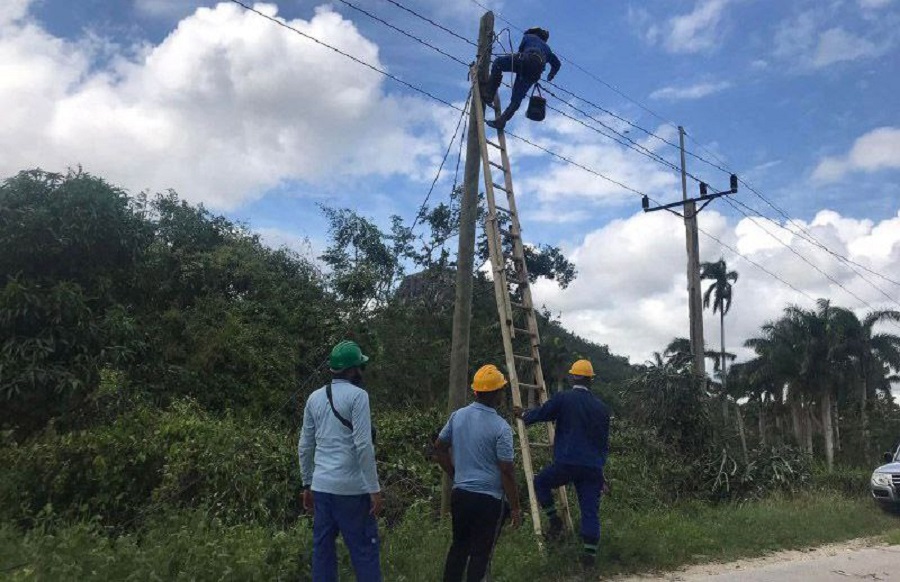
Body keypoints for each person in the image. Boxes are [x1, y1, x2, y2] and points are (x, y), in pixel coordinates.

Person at [514, 359, 610, 569]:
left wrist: (523, 415)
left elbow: (542, 413)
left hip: (567, 461)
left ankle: (554, 520)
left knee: (540, 482)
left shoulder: (564, 399)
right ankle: (589, 562)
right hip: (593, 467)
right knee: (590, 512)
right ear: (591, 380)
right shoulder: (602, 408)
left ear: (572, 377)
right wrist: (601, 474)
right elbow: (603, 444)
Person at [299, 340, 382, 582]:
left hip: (322, 488)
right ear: (353, 370)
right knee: (365, 553)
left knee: (323, 555)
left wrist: (306, 484)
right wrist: (374, 489)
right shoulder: (359, 397)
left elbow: (305, 445)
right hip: (353, 490)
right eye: (360, 367)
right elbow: (364, 445)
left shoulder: (314, 398)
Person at [434, 364, 522, 582]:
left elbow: (439, 447)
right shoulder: (501, 428)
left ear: (476, 391)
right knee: (481, 554)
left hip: (461, 495)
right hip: (490, 501)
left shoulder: (458, 417)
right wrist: (516, 508)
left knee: (459, 547)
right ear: (497, 395)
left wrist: (455, 473)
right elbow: (507, 471)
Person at [482, 27, 561, 129]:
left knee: (498, 63)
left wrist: (514, 60)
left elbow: (520, 52)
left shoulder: (529, 37)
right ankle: (502, 121)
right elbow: (557, 64)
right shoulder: (548, 50)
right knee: (517, 98)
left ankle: (489, 95)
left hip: (525, 60)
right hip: (535, 72)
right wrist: (551, 75)